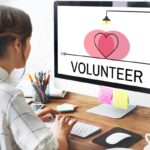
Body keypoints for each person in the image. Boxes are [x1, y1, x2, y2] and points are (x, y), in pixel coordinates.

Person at [0, 5, 77, 150]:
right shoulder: (9, 95)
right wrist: (59, 132)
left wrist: (25, 119)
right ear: (18, 44)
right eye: (28, 41)